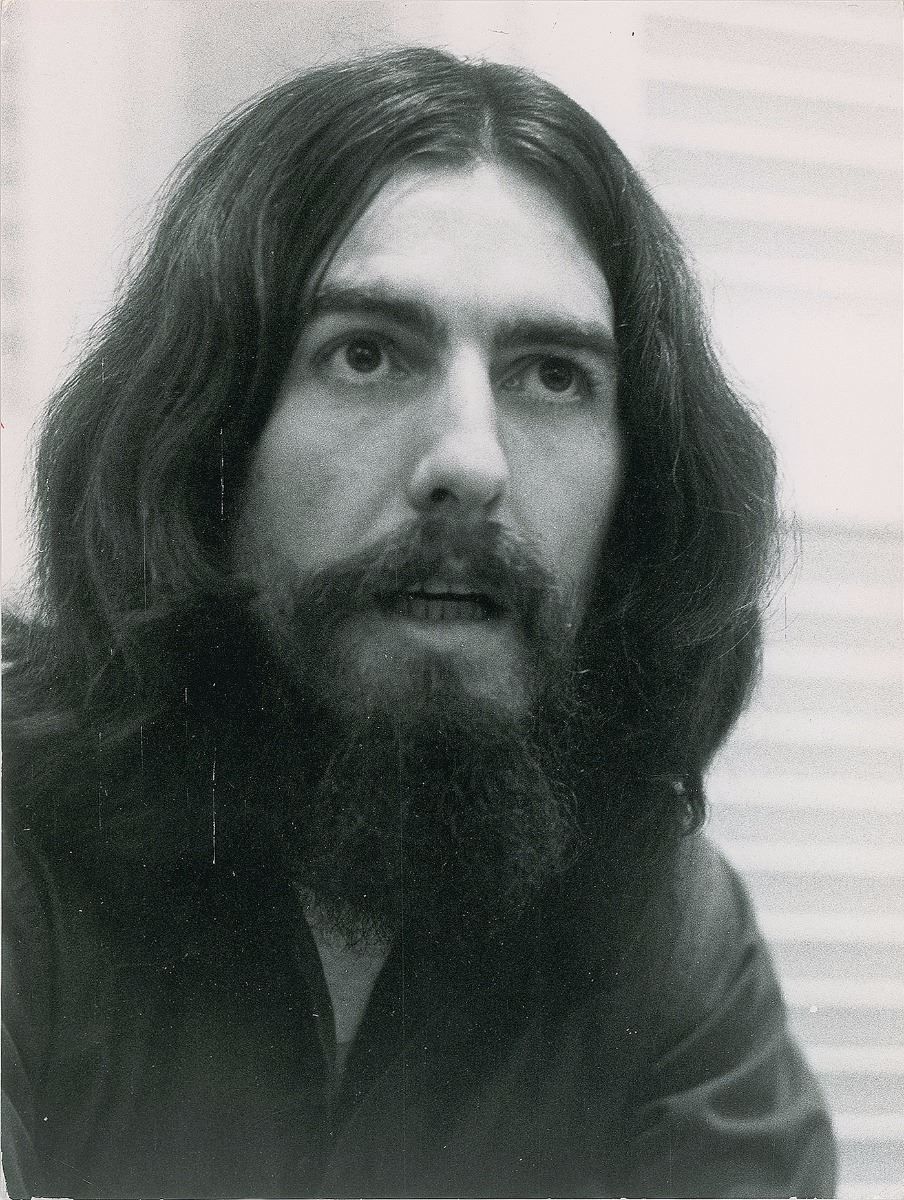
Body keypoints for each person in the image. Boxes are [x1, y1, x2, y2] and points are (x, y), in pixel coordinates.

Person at [2, 46, 835, 1199]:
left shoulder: (672, 931)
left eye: (552, 376)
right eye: (365, 354)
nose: (470, 462)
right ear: (207, 443)